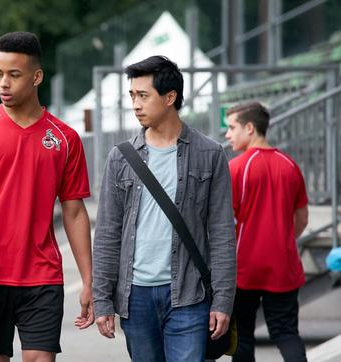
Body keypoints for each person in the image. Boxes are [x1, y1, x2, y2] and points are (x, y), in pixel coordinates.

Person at [0, 31, 94, 362]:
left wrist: (89, 280)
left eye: (14, 74)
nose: (4, 84)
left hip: (42, 275)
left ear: (36, 76)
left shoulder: (64, 139)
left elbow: (74, 212)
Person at [92, 55, 236, 361]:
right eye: (132, 95)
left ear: (170, 97)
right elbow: (107, 233)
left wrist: (223, 300)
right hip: (136, 296)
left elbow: (222, 233)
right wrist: (102, 299)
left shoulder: (209, 154)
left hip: (189, 295)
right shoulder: (121, 158)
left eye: (143, 95)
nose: (135, 104)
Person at [225, 101, 308, 362]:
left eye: (231, 127)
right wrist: (281, 241)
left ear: (249, 128)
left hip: (244, 267)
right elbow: (302, 218)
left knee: (243, 336)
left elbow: (224, 222)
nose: (228, 134)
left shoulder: (236, 168)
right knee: (286, 333)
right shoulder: (290, 165)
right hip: (284, 265)